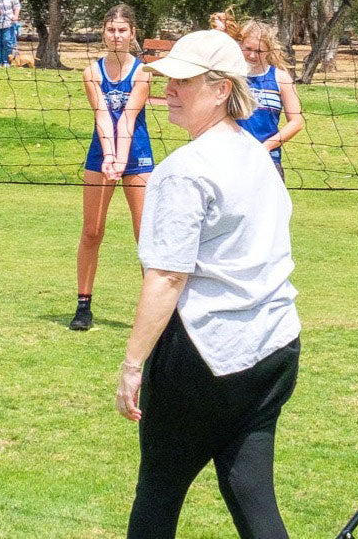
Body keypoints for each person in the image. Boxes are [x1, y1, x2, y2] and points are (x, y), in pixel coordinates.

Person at [116, 29, 300, 539]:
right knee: (250, 490)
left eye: (183, 80)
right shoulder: (256, 154)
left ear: (222, 88)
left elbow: (167, 276)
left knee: (158, 490)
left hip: (206, 355)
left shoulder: (184, 171)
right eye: (166, 79)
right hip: (274, 348)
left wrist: (133, 366)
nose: (168, 89)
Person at [70, 4, 155, 332]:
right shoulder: (92, 72)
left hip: (137, 154)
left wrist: (120, 159)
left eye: (122, 30)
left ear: (132, 33)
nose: (116, 36)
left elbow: (129, 118)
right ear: (103, 32)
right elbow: (103, 116)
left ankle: (154, 313)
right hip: (101, 153)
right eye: (110, 30)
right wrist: (108, 157)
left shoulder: (143, 71)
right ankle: (83, 307)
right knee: (92, 231)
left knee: (144, 236)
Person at [236, 20, 305, 181]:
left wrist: (264, 147)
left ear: (269, 50)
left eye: (259, 51)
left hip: (267, 158)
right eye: (248, 49)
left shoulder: (280, 78)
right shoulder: (231, 76)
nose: (252, 55)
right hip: (232, 156)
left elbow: (296, 122)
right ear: (240, 45)